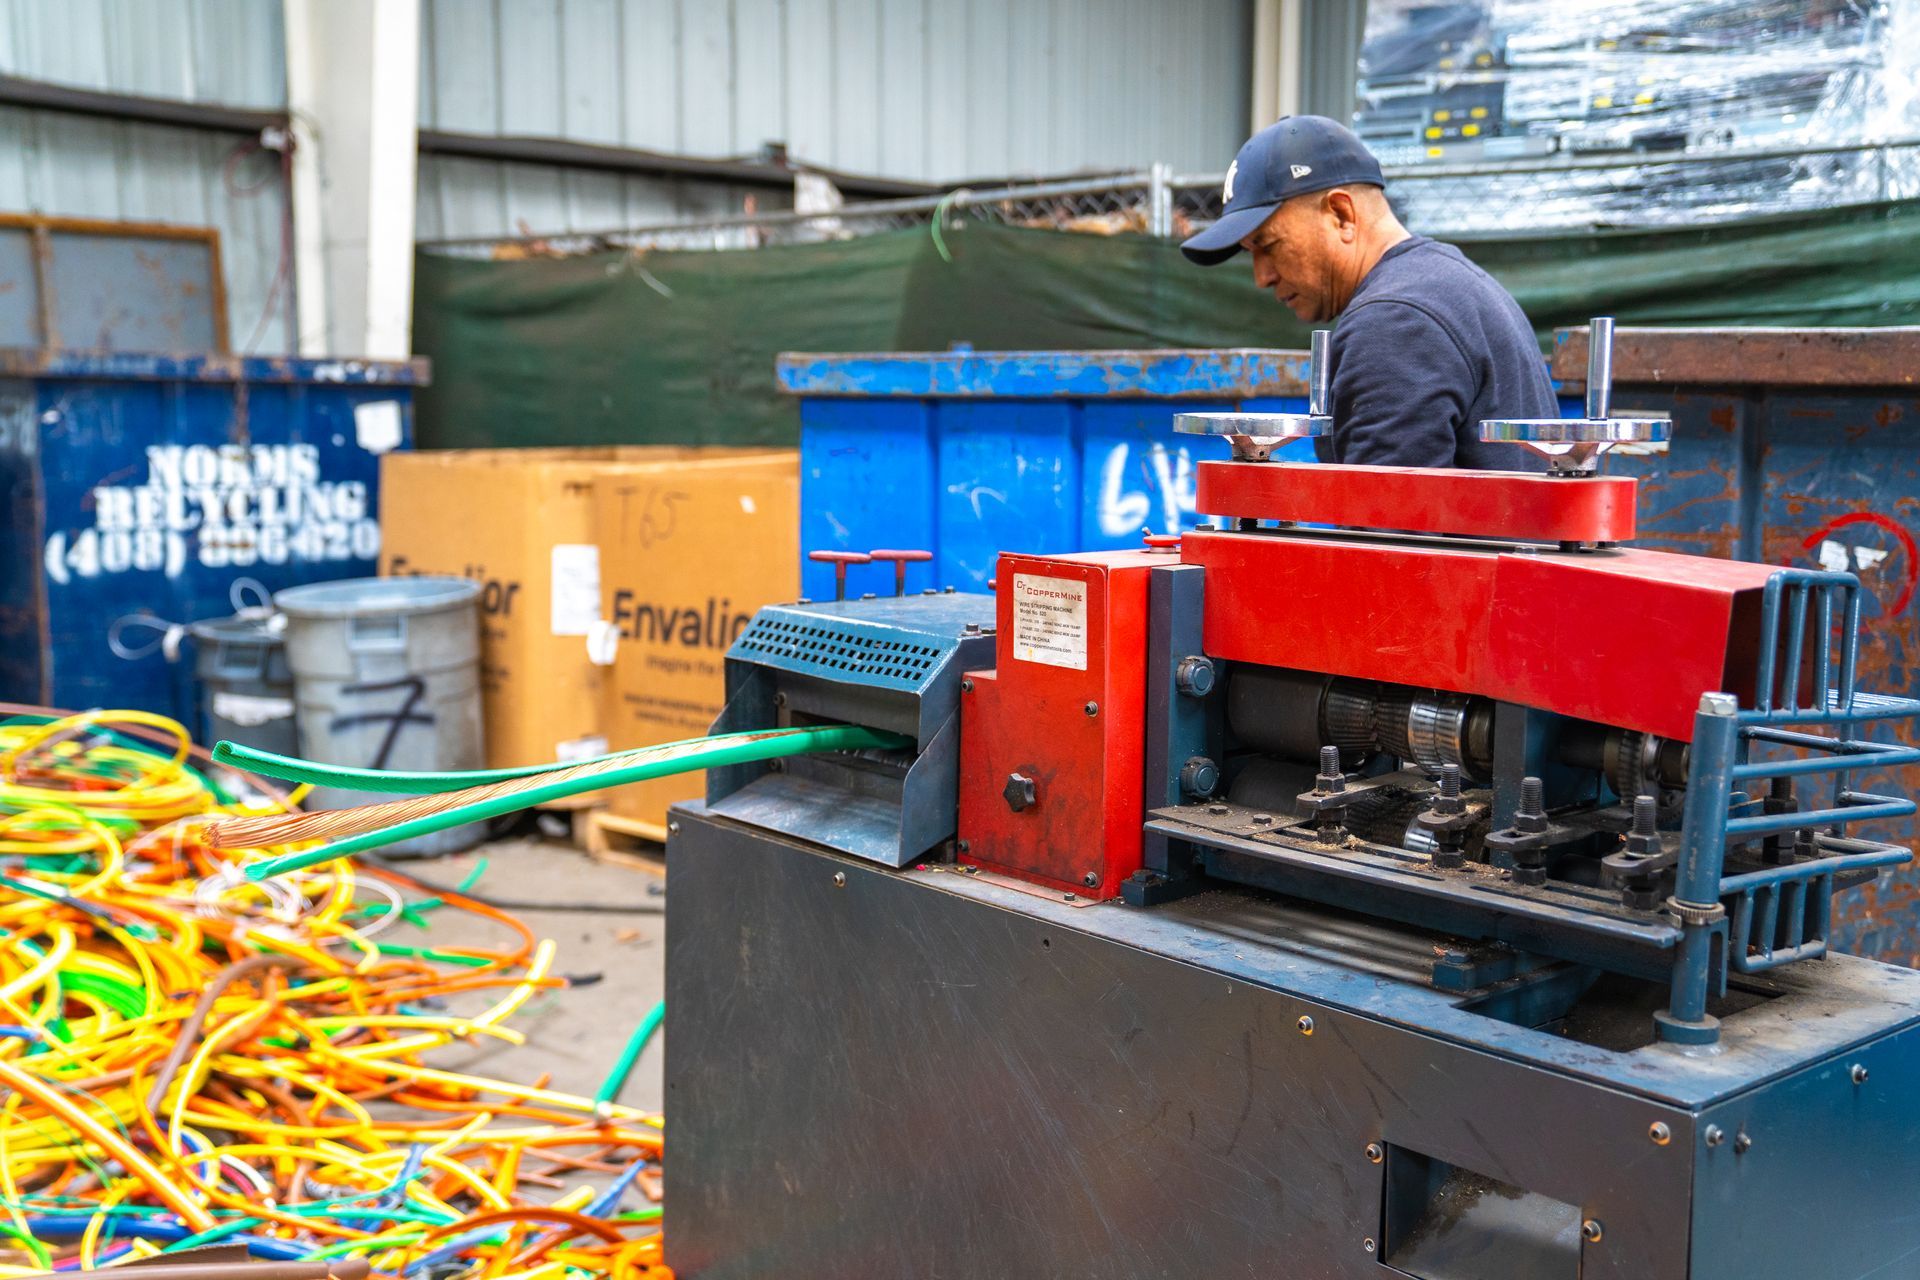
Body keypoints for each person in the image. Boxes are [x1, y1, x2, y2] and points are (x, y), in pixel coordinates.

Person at [1181, 116, 1554, 470]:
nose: (1261, 276)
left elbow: (1389, 532)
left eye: (1269, 245)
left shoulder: (1395, 322)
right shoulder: (1449, 283)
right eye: (1251, 252)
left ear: (1341, 215)